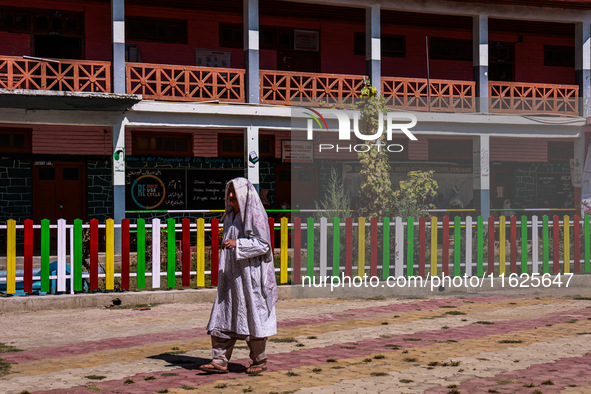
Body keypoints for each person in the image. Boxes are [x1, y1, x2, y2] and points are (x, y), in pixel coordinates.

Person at [199, 177, 278, 375]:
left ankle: (259, 361)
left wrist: (238, 244)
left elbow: (263, 245)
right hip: (231, 278)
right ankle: (219, 361)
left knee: (253, 316)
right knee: (223, 314)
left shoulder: (255, 215)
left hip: (250, 278)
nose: (231, 196)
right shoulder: (230, 216)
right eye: (229, 192)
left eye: (234, 192)